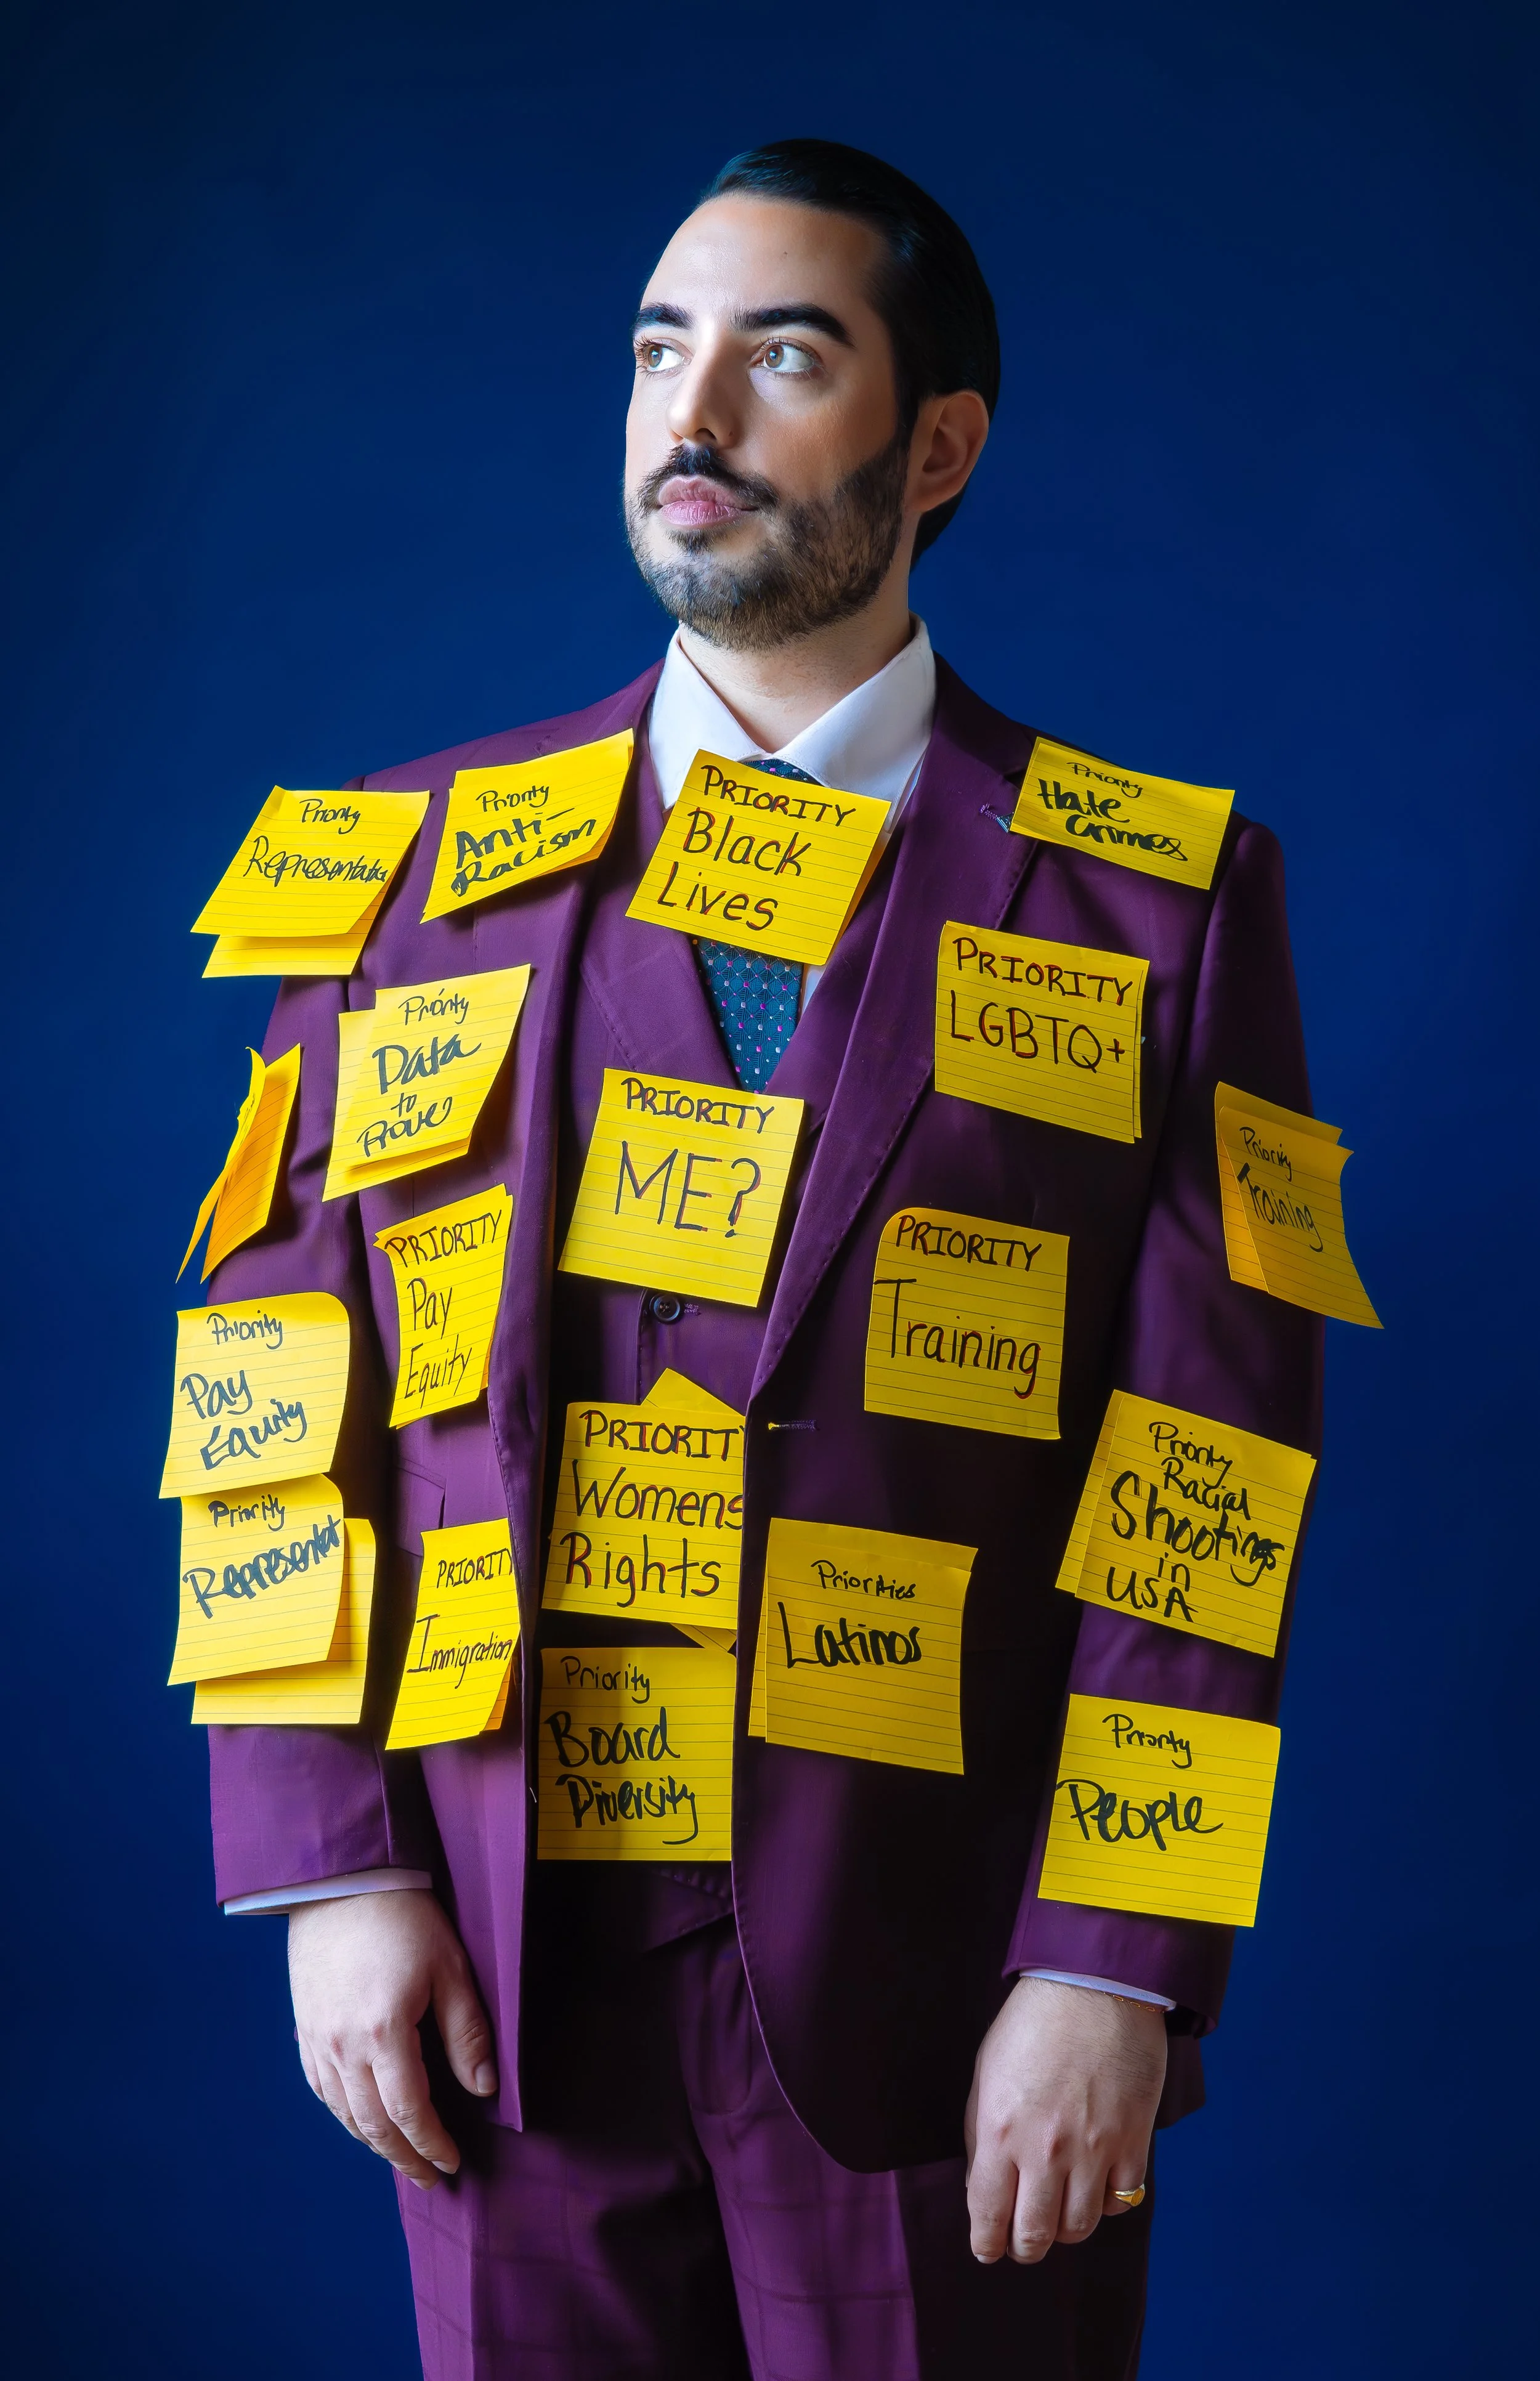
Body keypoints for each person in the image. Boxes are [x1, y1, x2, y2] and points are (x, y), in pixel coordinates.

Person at [206, 139, 1321, 2379]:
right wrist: (335, 1876)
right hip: (504, 1988)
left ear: (935, 446)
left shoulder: (1160, 905)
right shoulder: (398, 876)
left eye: (778, 354)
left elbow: (1206, 1487)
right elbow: (264, 1399)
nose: (686, 413)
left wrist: (1106, 1965)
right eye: (653, 352)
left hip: (937, 2006)